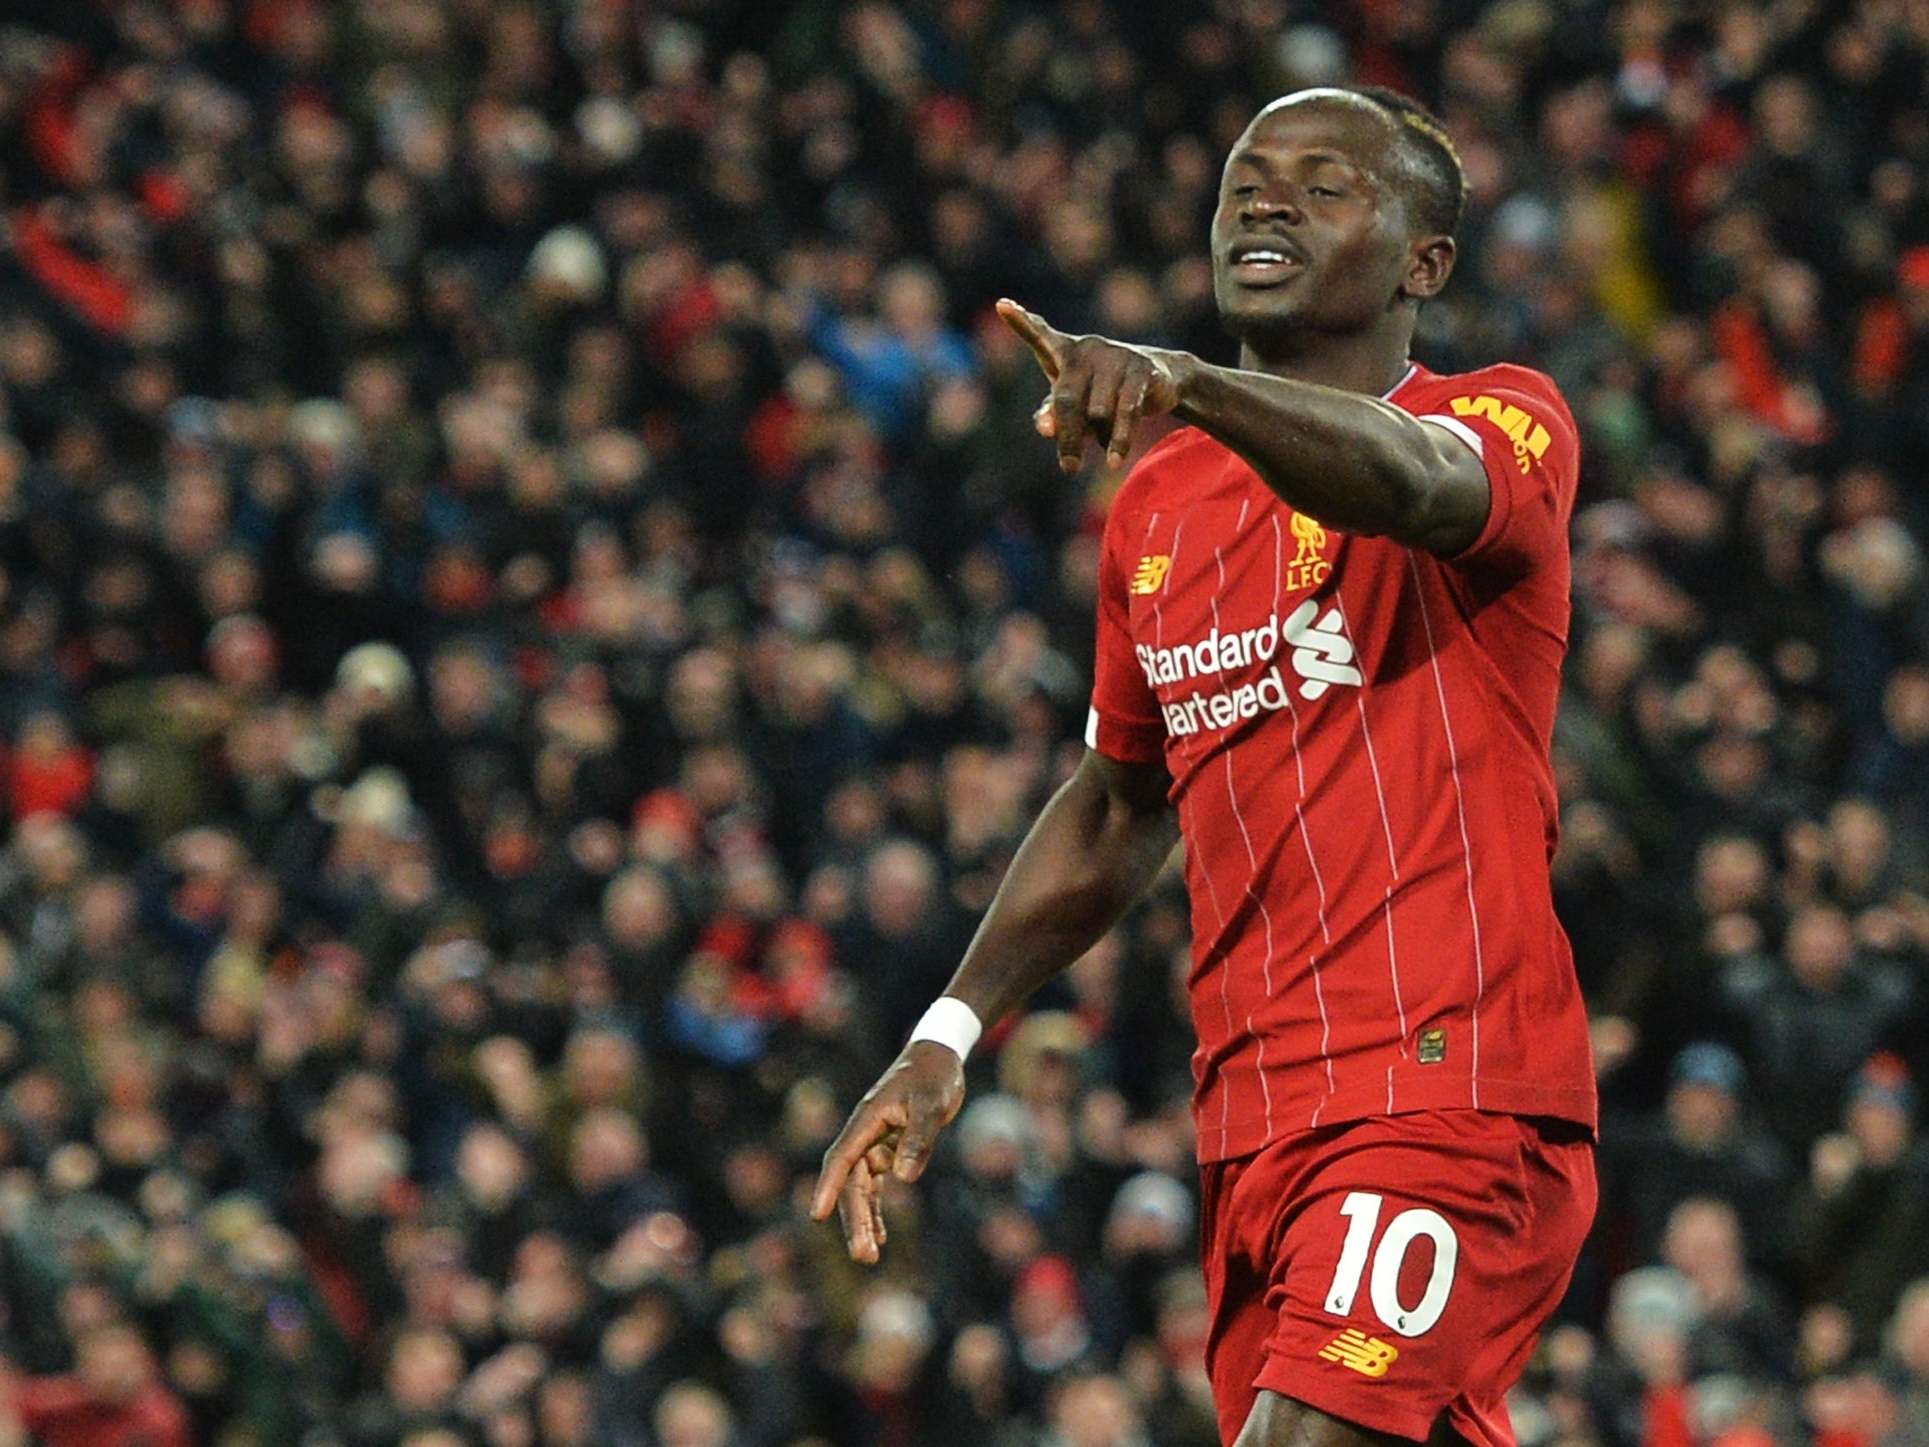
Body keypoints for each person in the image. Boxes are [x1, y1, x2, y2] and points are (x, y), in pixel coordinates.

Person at [813, 86, 1598, 1447]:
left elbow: (1409, 486)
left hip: (1445, 1087)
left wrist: (1186, 381)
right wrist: (944, 1039)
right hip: (1251, 1120)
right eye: (1244, 180)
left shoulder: (1505, 420)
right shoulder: (1160, 507)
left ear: (1424, 262)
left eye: (1322, 184)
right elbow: (1119, 805)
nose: (1262, 201)